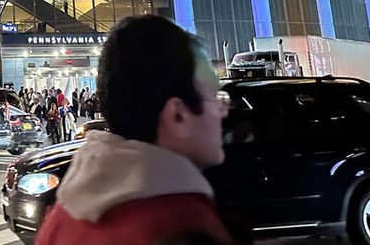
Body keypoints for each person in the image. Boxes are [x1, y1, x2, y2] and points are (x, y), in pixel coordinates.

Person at [37, 15, 239, 245]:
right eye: (216, 98)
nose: (224, 111)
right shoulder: (181, 227)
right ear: (178, 115)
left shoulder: (62, 217)